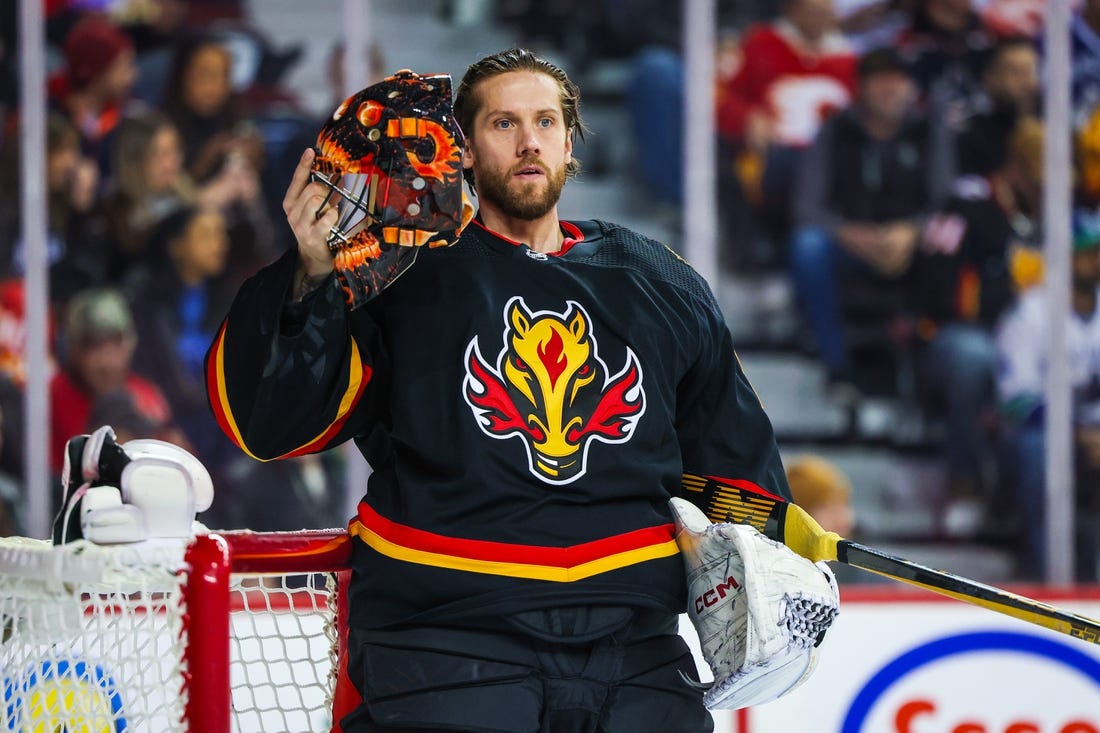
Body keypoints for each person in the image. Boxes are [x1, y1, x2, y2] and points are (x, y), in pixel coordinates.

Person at [206, 49, 802, 732]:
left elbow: (731, 467)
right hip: (449, 642)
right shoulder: (399, 272)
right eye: (503, 123)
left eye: (546, 121)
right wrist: (309, 276)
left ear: (569, 141)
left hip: (635, 651)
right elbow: (270, 421)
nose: (529, 141)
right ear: (461, 149)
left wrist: (768, 550)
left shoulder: (658, 279)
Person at [789, 46, 954, 394]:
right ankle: (837, 365)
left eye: (899, 81)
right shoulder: (834, 131)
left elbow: (946, 201)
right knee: (807, 246)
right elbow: (807, 207)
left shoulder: (930, 133)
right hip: (849, 245)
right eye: (880, 81)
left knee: (952, 241)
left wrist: (912, 230)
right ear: (861, 87)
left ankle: (931, 372)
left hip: (912, 244)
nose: (891, 89)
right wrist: (848, 233)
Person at [996, 208, 1100, 581]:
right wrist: (1075, 432)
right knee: (1035, 449)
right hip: (1047, 435)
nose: (1095, 259)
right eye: (1086, 251)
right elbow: (1016, 401)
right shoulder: (1032, 312)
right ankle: (1046, 577)